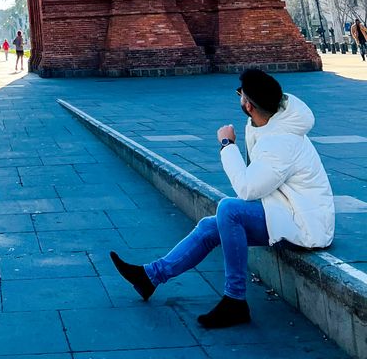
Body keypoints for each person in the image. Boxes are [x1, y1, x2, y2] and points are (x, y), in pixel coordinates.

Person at [110, 68, 334, 330]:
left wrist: (227, 145)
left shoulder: (280, 141)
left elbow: (247, 190)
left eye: (240, 95)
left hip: (305, 223)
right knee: (210, 225)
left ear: (248, 105)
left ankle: (235, 299)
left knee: (230, 209)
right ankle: (150, 276)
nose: (238, 99)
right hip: (287, 208)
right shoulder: (271, 126)